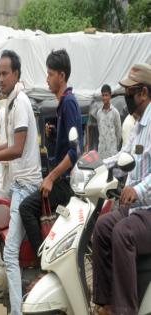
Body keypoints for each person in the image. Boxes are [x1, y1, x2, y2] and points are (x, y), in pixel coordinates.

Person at [92, 63, 151, 315]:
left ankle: (125, 310)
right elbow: (122, 156)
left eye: (129, 92)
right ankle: (105, 304)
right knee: (102, 227)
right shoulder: (137, 126)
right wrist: (92, 167)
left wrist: (137, 190)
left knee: (122, 232)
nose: (125, 96)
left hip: (147, 209)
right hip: (136, 209)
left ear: (144, 93)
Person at [0, 50, 42, 315]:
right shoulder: (10, 103)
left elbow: (18, 148)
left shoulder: (20, 102)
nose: (0, 78)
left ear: (16, 75)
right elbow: (7, 145)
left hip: (26, 184)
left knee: (10, 253)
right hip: (15, 182)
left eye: (5, 73)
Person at [19, 49, 83, 255]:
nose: (47, 79)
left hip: (63, 182)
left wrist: (51, 178)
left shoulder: (69, 103)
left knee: (26, 208)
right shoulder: (63, 104)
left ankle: (42, 264)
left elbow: (75, 152)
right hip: (59, 179)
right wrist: (54, 132)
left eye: (50, 74)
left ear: (62, 76)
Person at [96, 84, 122, 159]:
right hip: (101, 152)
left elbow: (118, 132)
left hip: (112, 152)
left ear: (110, 96)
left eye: (106, 95)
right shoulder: (99, 113)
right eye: (103, 95)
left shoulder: (115, 112)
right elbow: (99, 130)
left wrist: (115, 146)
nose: (104, 98)